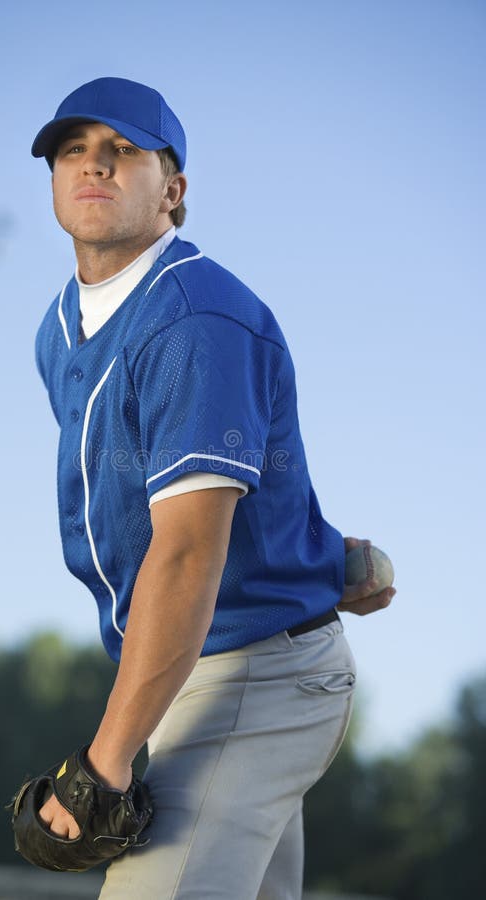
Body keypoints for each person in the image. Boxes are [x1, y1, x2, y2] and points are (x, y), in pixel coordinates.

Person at [30, 76, 395, 900]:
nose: (94, 165)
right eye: (73, 150)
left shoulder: (195, 318)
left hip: (253, 678)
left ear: (174, 189)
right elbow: (164, 485)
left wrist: (103, 764)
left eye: (124, 150)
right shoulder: (63, 326)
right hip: (200, 667)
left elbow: (189, 548)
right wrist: (313, 552)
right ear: (52, 177)